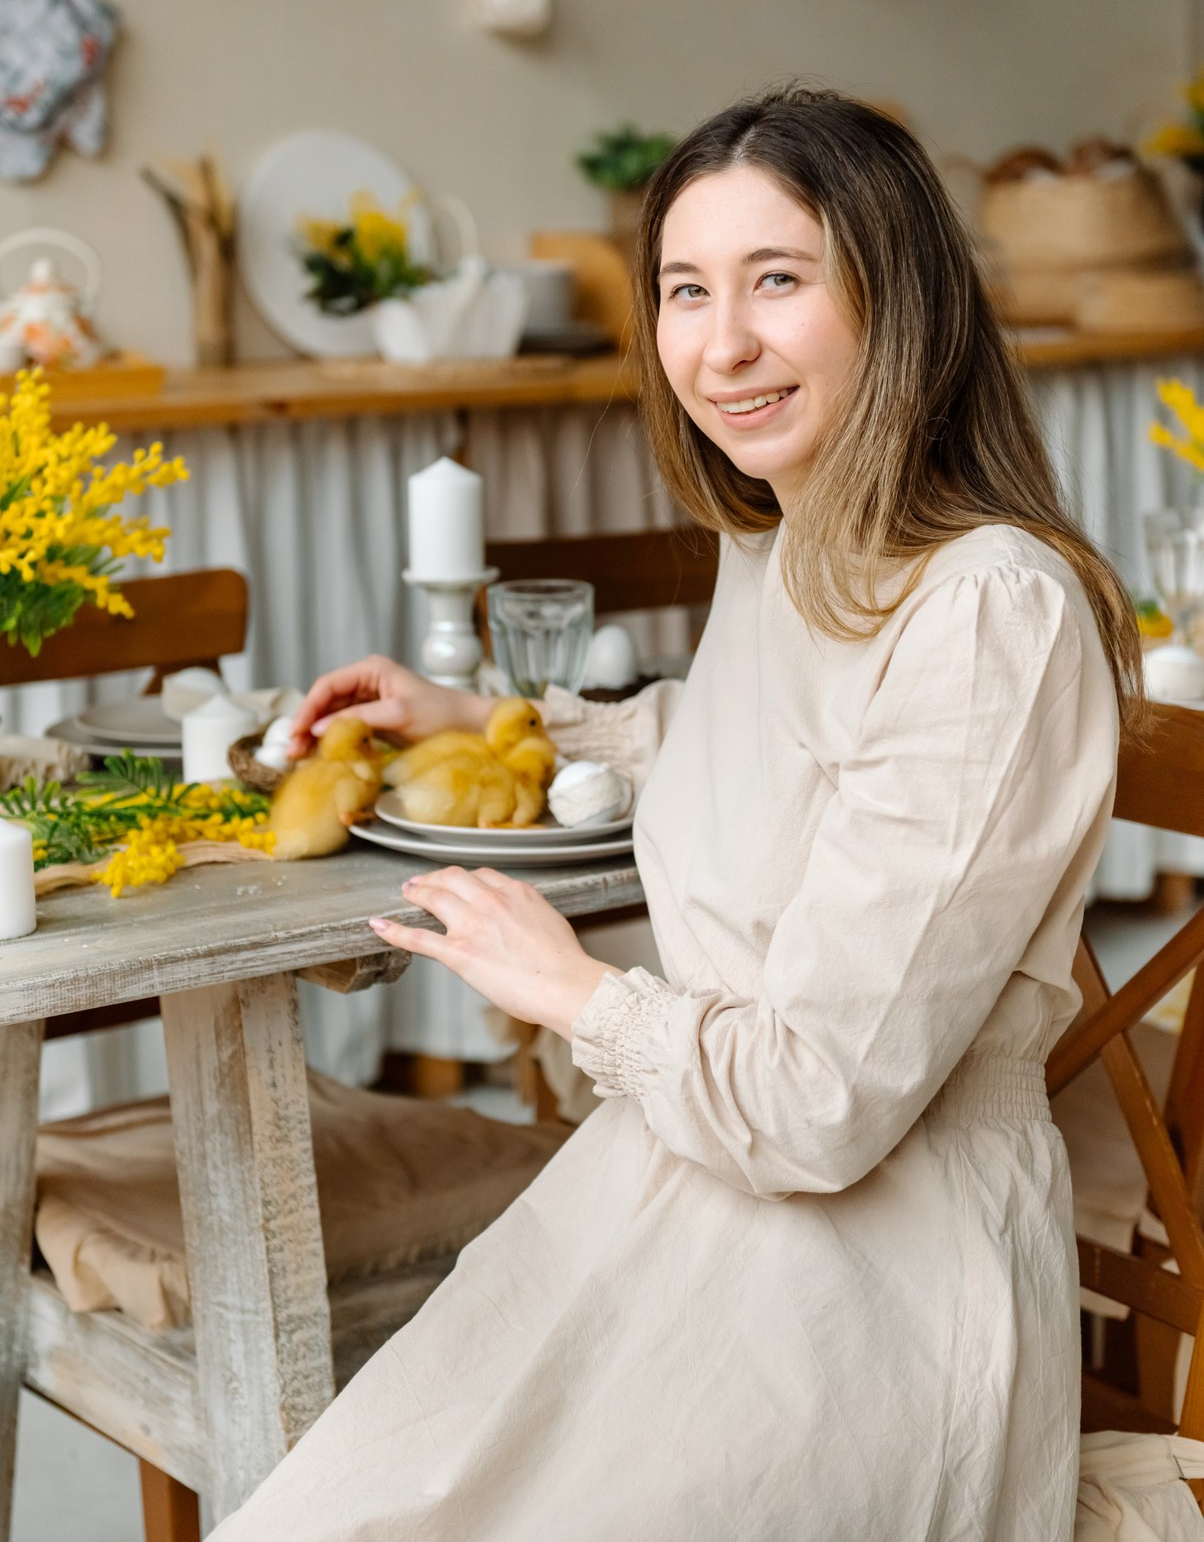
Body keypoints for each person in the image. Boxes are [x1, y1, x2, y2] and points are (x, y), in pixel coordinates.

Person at [213, 86, 1140, 1541]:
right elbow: (752, 745)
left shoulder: (989, 615)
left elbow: (818, 1108)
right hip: (691, 1190)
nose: (721, 347)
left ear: (899, 300)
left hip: (878, 1285)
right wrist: (493, 722)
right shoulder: (788, 537)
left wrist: (572, 989)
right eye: (686, 290)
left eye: (779, 280)